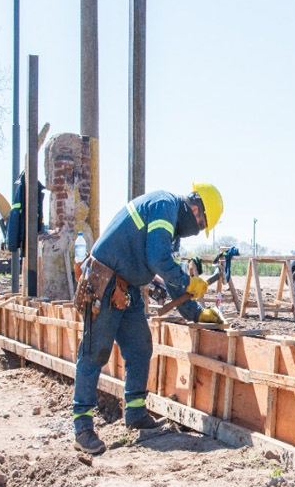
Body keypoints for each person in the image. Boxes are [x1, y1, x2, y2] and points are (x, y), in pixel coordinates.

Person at [71, 183, 224, 455]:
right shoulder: (164, 207)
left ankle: (135, 413)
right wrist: (189, 282)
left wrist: (196, 312)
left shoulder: (172, 225)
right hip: (104, 282)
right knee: (95, 353)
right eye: (201, 224)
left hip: (125, 288)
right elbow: (158, 260)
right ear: (195, 208)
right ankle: (82, 427)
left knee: (140, 347)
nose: (198, 229)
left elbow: (169, 274)